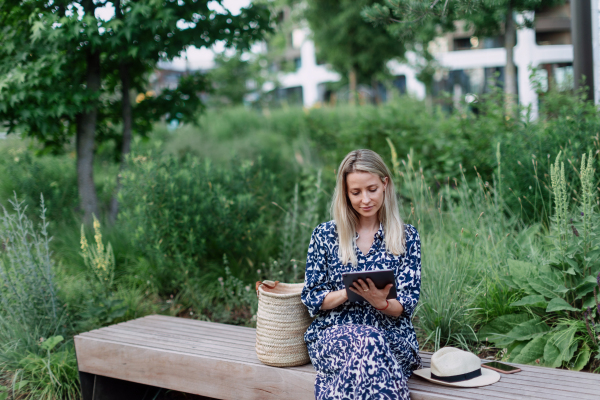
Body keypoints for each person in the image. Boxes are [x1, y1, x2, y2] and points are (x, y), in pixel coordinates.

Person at [301, 149, 422, 400]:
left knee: (371, 343)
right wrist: (349, 292)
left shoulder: (406, 236)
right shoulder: (325, 235)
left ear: (385, 184)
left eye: (372, 189)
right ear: (345, 193)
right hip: (334, 337)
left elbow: (407, 302)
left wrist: (383, 304)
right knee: (367, 342)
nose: (365, 199)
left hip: (392, 339)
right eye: (356, 192)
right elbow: (312, 297)